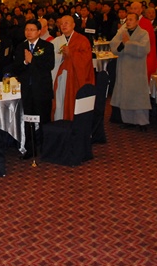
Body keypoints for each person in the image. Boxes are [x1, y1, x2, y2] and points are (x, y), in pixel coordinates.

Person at [11, 19, 55, 159]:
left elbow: (49, 65)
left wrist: (32, 60)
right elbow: (16, 68)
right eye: (27, 30)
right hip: (27, 90)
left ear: (39, 31)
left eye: (32, 30)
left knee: (44, 119)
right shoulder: (21, 47)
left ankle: (46, 148)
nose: (28, 32)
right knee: (28, 119)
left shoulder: (47, 46)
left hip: (42, 90)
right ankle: (30, 149)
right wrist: (25, 62)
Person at [109, 13, 152, 130]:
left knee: (138, 97)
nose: (128, 22)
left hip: (137, 70)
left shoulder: (143, 33)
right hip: (124, 68)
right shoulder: (122, 33)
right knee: (125, 95)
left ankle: (142, 122)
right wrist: (123, 44)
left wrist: (128, 43)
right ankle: (128, 120)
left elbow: (144, 49)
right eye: (127, 20)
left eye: (131, 20)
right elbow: (113, 45)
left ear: (137, 21)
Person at [52, 15, 95, 120]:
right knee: (60, 100)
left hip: (75, 78)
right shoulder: (57, 40)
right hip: (61, 77)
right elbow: (50, 57)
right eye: (61, 24)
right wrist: (61, 56)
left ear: (73, 25)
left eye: (66, 23)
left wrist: (71, 53)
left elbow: (86, 60)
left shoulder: (82, 40)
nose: (63, 25)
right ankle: (60, 121)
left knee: (73, 101)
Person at [130, 1, 157, 80]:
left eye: (135, 8)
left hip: (146, 55)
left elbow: (143, 41)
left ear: (141, 10)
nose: (133, 11)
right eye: (131, 8)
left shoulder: (146, 22)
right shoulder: (131, 21)